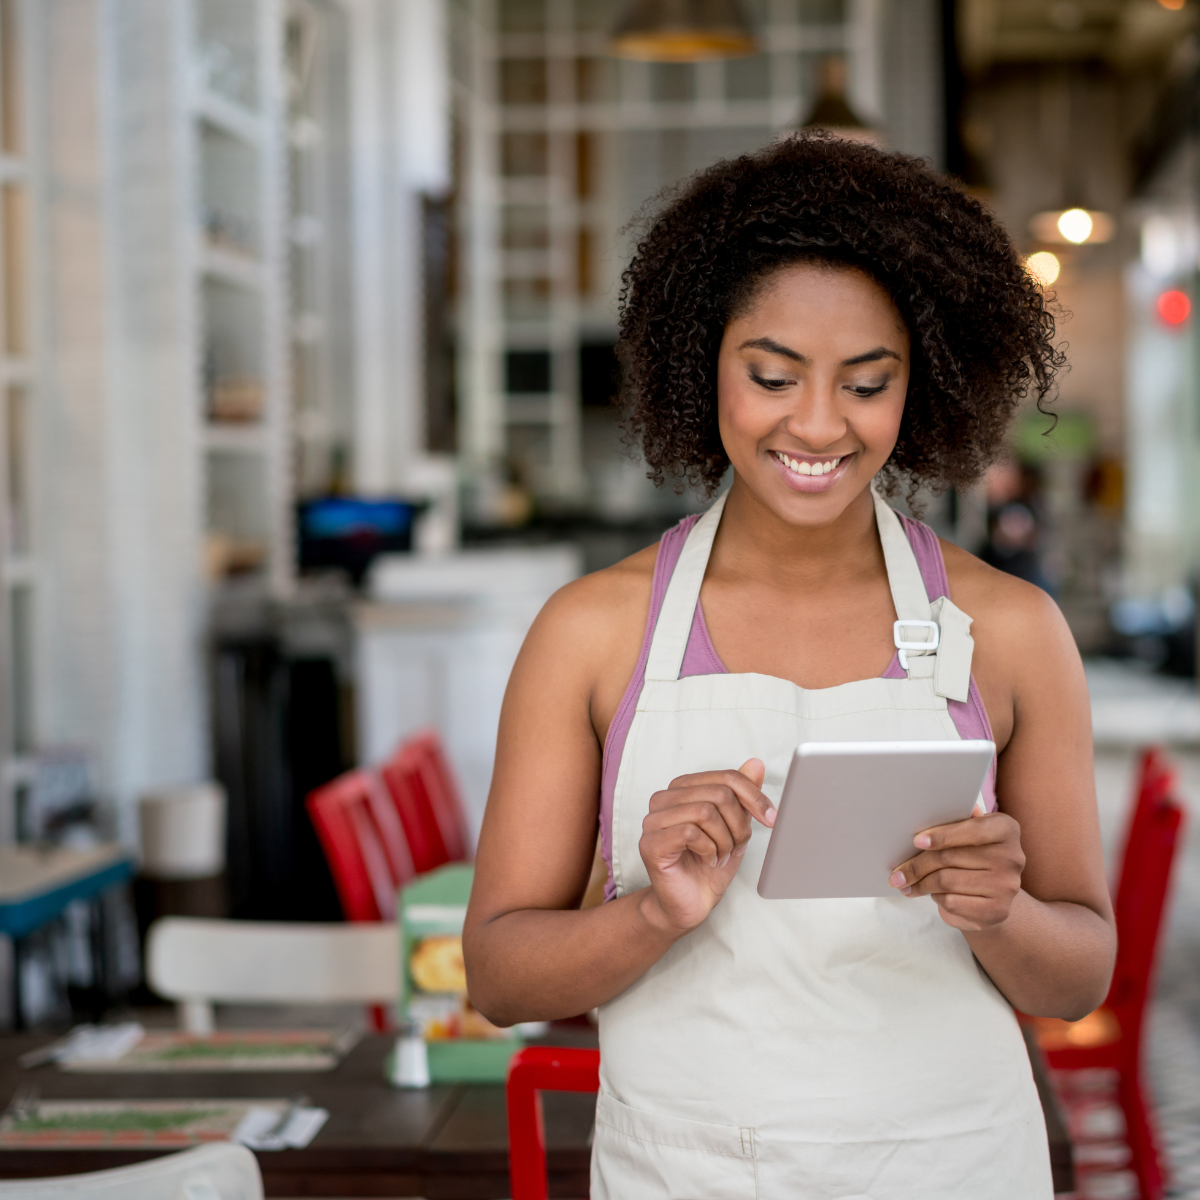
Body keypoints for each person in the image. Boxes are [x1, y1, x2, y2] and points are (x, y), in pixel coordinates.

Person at [463, 134, 1115, 1199]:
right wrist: (652, 912)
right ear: (702, 361)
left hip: (956, 1166)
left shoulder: (1013, 628)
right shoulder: (591, 634)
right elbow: (496, 975)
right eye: (772, 376)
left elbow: (1081, 969)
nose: (817, 424)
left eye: (867, 384)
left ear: (925, 388)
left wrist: (1004, 908)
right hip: (688, 1173)